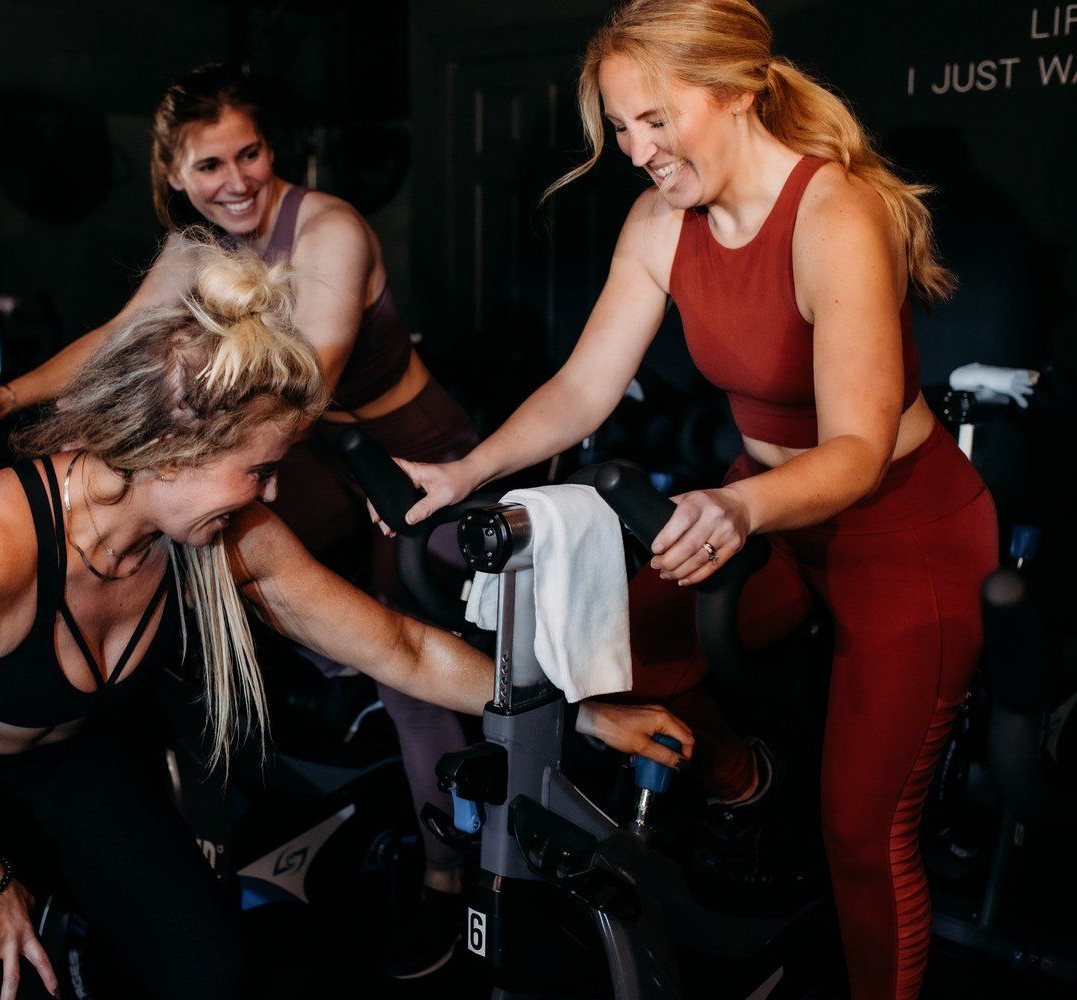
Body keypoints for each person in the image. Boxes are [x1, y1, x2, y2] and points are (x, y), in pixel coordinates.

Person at [0, 244, 691, 999]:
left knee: (210, 975)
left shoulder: (229, 532)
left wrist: (580, 717)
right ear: (171, 450)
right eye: (258, 470)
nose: (272, 495)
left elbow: (400, 646)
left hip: (69, 757)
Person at [392, 3, 997, 998]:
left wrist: (743, 508)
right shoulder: (662, 219)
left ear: (737, 91)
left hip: (900, 527)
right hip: (765, 507)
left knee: (861, 830)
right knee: (610, 658)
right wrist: (467, 472)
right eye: (621, 128)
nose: (636, 151)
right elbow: (585, 387)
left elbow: (853, 450)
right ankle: (746, 789)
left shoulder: (835, 212)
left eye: (654, 120)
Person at [0, 64, 483, 976]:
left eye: (250, 153)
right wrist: (7, 394)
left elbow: (302, 384)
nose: (237, 181)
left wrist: (175, 434)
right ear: (173, 173)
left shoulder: (328, 228)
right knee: (218, 585)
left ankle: (449, 886)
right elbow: (118, 342)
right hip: (274, 454)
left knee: (398, 661)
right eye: (211, 165)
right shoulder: (190, 249)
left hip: (405, 455)